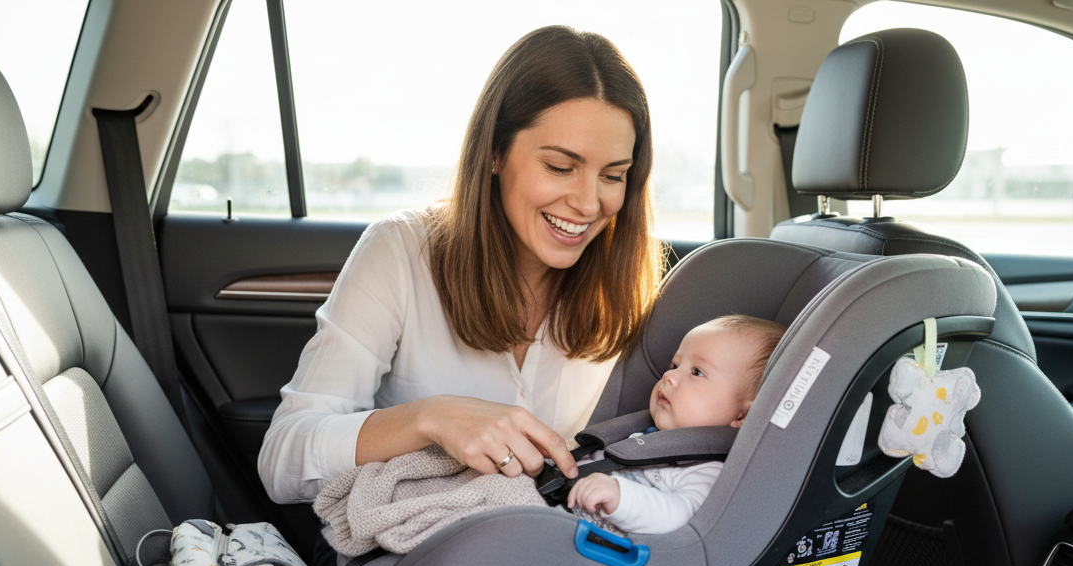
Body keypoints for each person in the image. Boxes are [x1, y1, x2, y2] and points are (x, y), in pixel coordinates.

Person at [258, 26, 663, 514]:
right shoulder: (401, 252)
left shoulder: (631, 290)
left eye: (612, 176)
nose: (586, 202)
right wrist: (431, 419)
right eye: (559, 167)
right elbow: (282, 460)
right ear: (495, 153)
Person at [566, 314, 786, 535]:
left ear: (742, 416)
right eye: (675, 364)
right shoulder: (645, 434)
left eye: (697, 372)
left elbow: (682, 517)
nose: (669, 375)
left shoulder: (707, 469)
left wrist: (621, 497)